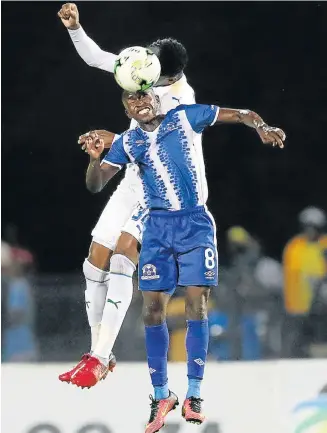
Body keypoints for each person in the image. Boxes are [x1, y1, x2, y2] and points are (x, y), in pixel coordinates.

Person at [73, 88, 285, 432]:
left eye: (143, 97)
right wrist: (95, 158)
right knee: (151, 308)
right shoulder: (128, 142)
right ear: (126, 109)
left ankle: (195, 392)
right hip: (157, 227)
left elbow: (241, 112)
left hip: (195, 224)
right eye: (131, 101)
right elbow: (96, 186)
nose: (139, 104)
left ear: (156, 99)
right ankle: (161, 395)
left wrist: (260, 125)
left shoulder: (185, 117)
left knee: (196, 303)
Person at [57, 3, 195, 384]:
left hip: (161, 186)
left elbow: (163, 148)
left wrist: (113, 138)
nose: (141, 83)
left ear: (169, 77)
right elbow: (98, 57)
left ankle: (99, 356)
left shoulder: (183, 100)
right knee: (95, 258)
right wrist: (75, 28)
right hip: (133, 177)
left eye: (152, 79)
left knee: (122, 255)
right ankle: (97, 353)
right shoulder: (142, 65)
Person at [282, 206, 327, 358]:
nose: (310, 230)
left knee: (319, 337)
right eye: (307, 226)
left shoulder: (324, 245)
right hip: (298, 305)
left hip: (321, 305)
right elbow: (290, 276)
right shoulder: (295, 246)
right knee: (298, 342)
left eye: (314, 227)